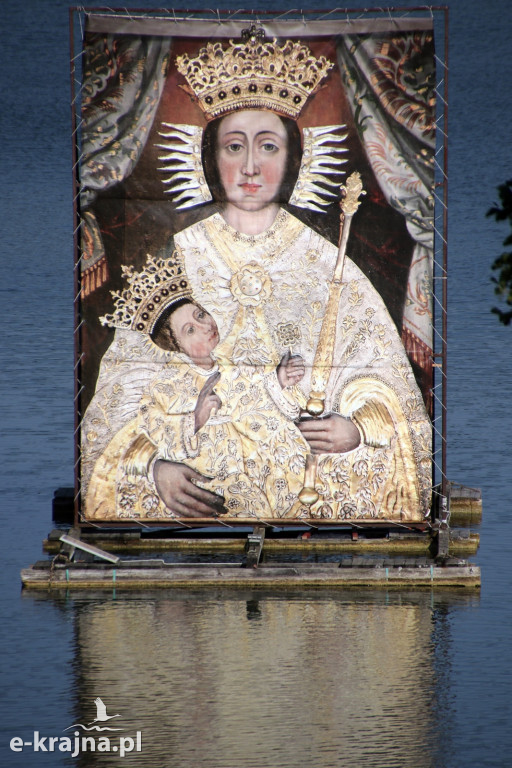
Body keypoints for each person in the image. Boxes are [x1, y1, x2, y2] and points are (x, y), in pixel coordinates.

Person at [81, 36, 432, 523]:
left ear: (292, 159)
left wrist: (357, 429)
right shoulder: (179, 256)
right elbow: (124, 389)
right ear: (210, 158)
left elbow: (380, 373)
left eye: (268, 146)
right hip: (203, 463)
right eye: (233, 146)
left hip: (307, 475)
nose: (249, 167)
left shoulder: (326, 261)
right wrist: (151, 465)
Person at [86, 295, 309, 519]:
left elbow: (253, 399)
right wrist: (195, 419)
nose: (204, 327)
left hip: (252, 457)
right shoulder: (168, 382)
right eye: (190, 331)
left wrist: (279, 380)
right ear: (177, 346)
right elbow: (150, 423)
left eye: (200, 315)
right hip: (210, 467)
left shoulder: (233, 364)